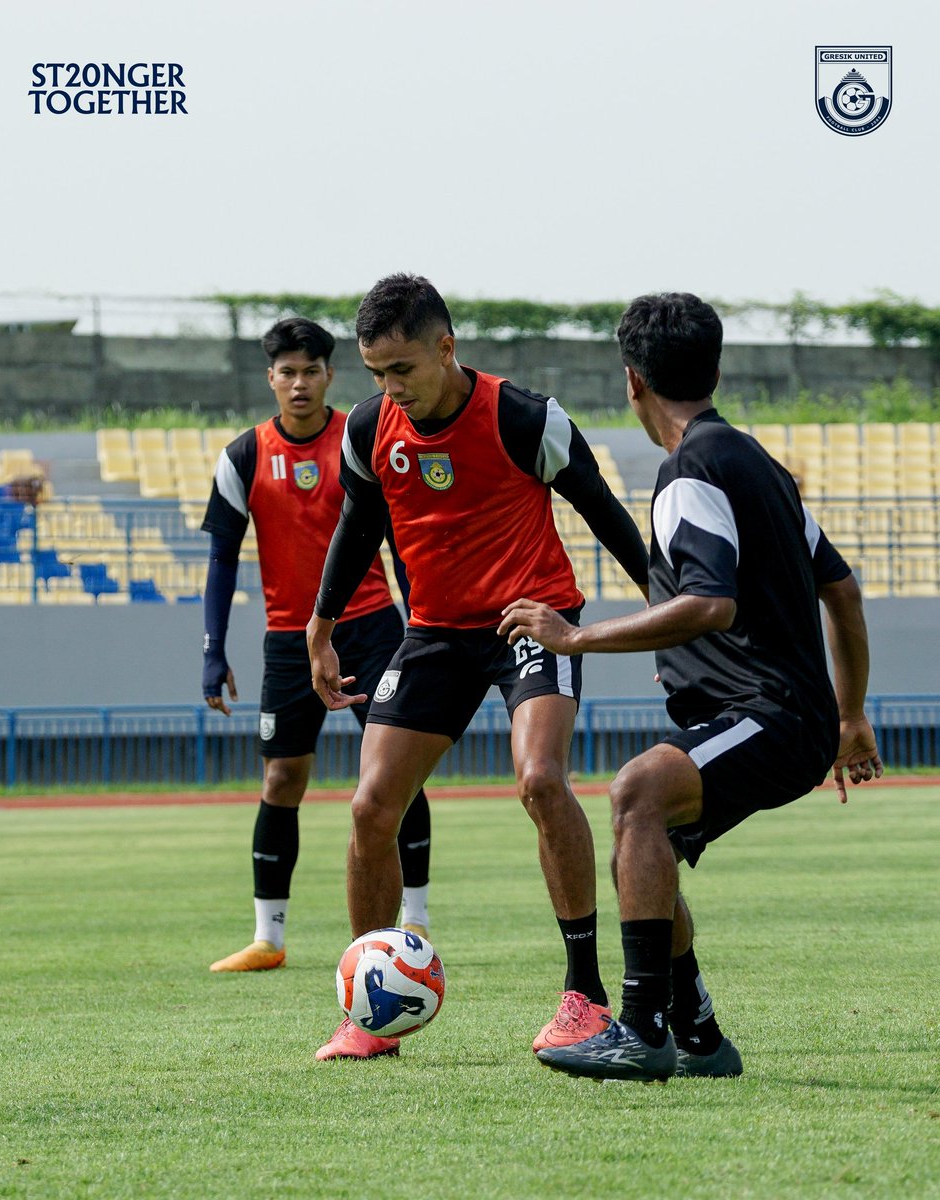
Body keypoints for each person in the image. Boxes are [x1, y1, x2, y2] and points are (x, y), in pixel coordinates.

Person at [498, 292, 883, 1082]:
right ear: (715, 369)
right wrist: (851, 714)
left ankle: (640, 1028)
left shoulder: (691, 470)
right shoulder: (756, 465)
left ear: (631, 381)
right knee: (650, 841)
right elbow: (839, 590)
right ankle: (700, 1033)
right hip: (788, 713)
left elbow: (710, 603)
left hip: (768, 715)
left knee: (635, 791)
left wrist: (575, 637)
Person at [306, 273, 650, 1061]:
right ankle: (369, 1010)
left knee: (540, 780)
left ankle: (585, 996)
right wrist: (319, 628)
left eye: (403, 370)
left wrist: (667, 625)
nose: (391, 389)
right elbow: (360, 523)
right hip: (434, 633)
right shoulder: (368, 429)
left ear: (446, 347)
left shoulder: (527, 419)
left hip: (531, 622)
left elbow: (609, 519)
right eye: (377, 375)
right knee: (368, 808)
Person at [201, 316, 432, 992]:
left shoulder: (360, 438)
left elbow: (398, 535)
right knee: (281, 782)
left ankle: (412, 923)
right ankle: (267, 937)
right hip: (285, 640)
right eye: (286, 372)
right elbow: (220, 557)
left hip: (370, 628)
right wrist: (213, 651)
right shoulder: (245, 455)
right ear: (271, 378)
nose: (298, 384)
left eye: (311, 371)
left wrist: (420, 618)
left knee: (393, 774)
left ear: (330, 375)